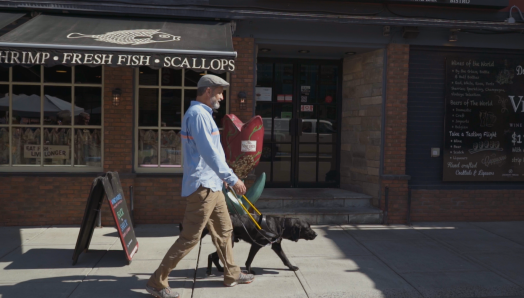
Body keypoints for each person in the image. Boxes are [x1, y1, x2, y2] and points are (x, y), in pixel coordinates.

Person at [146, 75, 253, 298]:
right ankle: (157, 281)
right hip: (203, 187)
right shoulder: (198, 115)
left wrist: (222, 177)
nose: (222, 97)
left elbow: (212, 153)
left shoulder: (203, 115)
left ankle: (232, 273)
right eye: (219, 92)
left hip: (212, 184)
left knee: (225, 231)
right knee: (190, 237)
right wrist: (232, 178)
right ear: (208, 92)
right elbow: (209, 153)